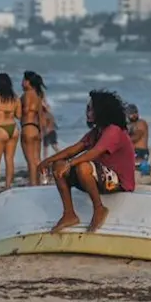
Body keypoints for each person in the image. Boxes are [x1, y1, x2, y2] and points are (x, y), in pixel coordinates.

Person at [40, 90, 136, 233]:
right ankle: (69, 214)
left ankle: (99, 208)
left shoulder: (113, 130)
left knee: (83, 166)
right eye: (87, 109)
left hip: (120, 181)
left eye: (91, 109)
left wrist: (70, 164)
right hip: (100, 177)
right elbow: (73, 149)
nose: (88, 112)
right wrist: (47, 161)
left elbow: (94, 152)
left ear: (102, 111)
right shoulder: (96, 132)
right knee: (58, 165)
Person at [21, 71, 48, 187]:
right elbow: (41, 116)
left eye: (23, 80)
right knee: (37, 159)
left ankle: (33, 185)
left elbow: (21, 112)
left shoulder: (25, 95)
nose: (22, 83)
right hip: (37, 129)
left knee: (30, 161)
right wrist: (42, 132)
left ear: (28, 82)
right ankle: (40, 182)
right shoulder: (38, 96)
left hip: (27, 127)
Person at [127, 104, 151, 175]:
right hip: (134, 150)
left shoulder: (141, 123)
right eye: (131, 114)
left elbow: (137, 136)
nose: (133, 115)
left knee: (137, 165)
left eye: (135, 113)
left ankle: (146, 169)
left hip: (140, 150)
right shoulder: (131, 124)